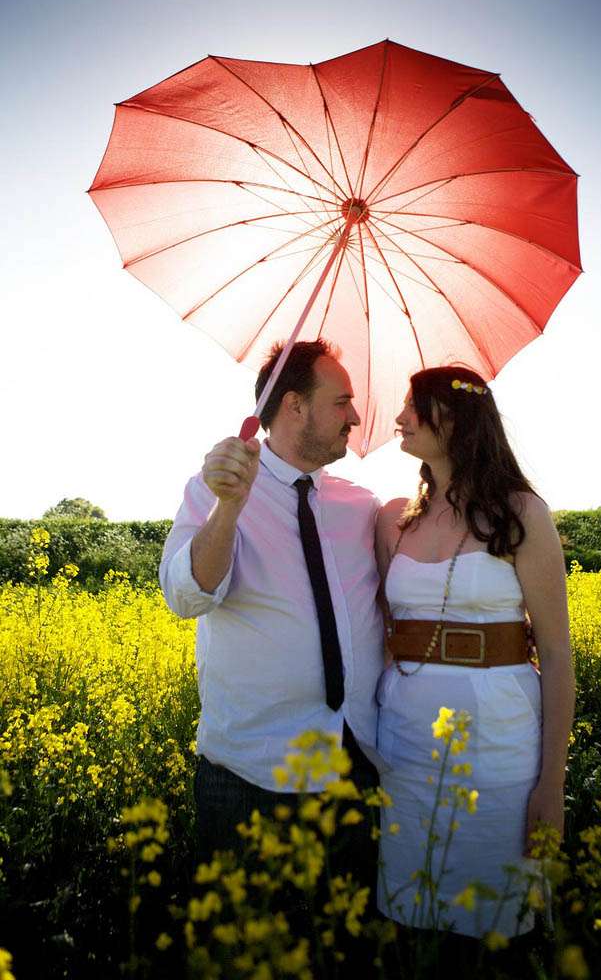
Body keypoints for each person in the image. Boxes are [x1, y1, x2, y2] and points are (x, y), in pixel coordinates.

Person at [159, 339, 383, 885]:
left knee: (346, 931)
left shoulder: (361, 506)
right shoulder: (214, 492)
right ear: (294, 406)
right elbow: (186, 597)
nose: (355, 418)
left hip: (356, 762)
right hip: (249, 775)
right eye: (342, 402)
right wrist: (229, 507)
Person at [374, 366, 575, 942]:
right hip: (405, 743)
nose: (399, 419)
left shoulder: (521, 513)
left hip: (499, 744)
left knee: (498, 922)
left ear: (457, 419)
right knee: (412, 916)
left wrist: (551, 785)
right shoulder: (392, 520)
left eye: (414, 406)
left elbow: (556, 653)